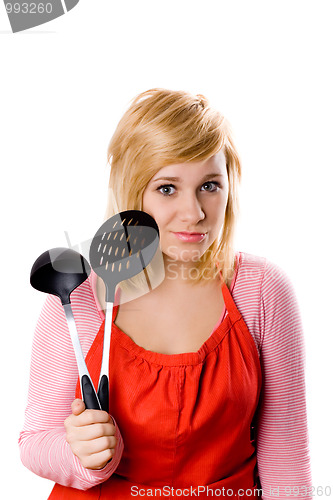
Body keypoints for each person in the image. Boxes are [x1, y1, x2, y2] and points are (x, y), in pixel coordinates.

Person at [19, 88, 312, 499]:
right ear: (132, 189)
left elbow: (287, 462)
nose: (194, 213)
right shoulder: (79, 293)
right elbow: (34, 441)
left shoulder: (261, 290)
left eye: (210, 185)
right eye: (167, 188)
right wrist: (82, 456)